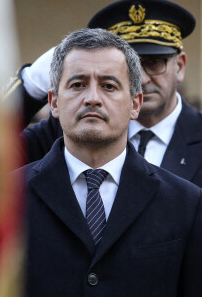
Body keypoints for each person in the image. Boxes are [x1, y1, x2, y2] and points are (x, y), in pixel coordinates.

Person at [18, 27, 202, 297]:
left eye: (109, 86)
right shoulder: (10, 198)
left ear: (135, 103)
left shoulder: (186, 203)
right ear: (54, 102)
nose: (92, 98)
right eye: (78, 84)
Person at [5, 0, 202, 187]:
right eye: (130, 68)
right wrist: (30, 86)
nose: (142, 79)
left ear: (180, 65)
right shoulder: (69, 129)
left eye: (154, 63)